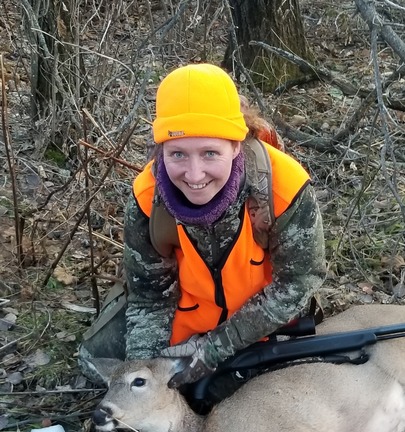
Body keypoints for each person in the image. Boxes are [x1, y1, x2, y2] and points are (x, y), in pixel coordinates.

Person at [79, 63, 326, 397]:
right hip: (187, 319)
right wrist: (145, 375)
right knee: (95, 361)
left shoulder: (284, 188)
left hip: (259, 324)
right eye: (178, 154)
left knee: (242, 403)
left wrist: (212, 350)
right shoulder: (147, 200)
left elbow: (297, 285)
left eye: (210, 153)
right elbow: (150, 297)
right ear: (160, 151)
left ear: (237, 145)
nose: (194, 175)